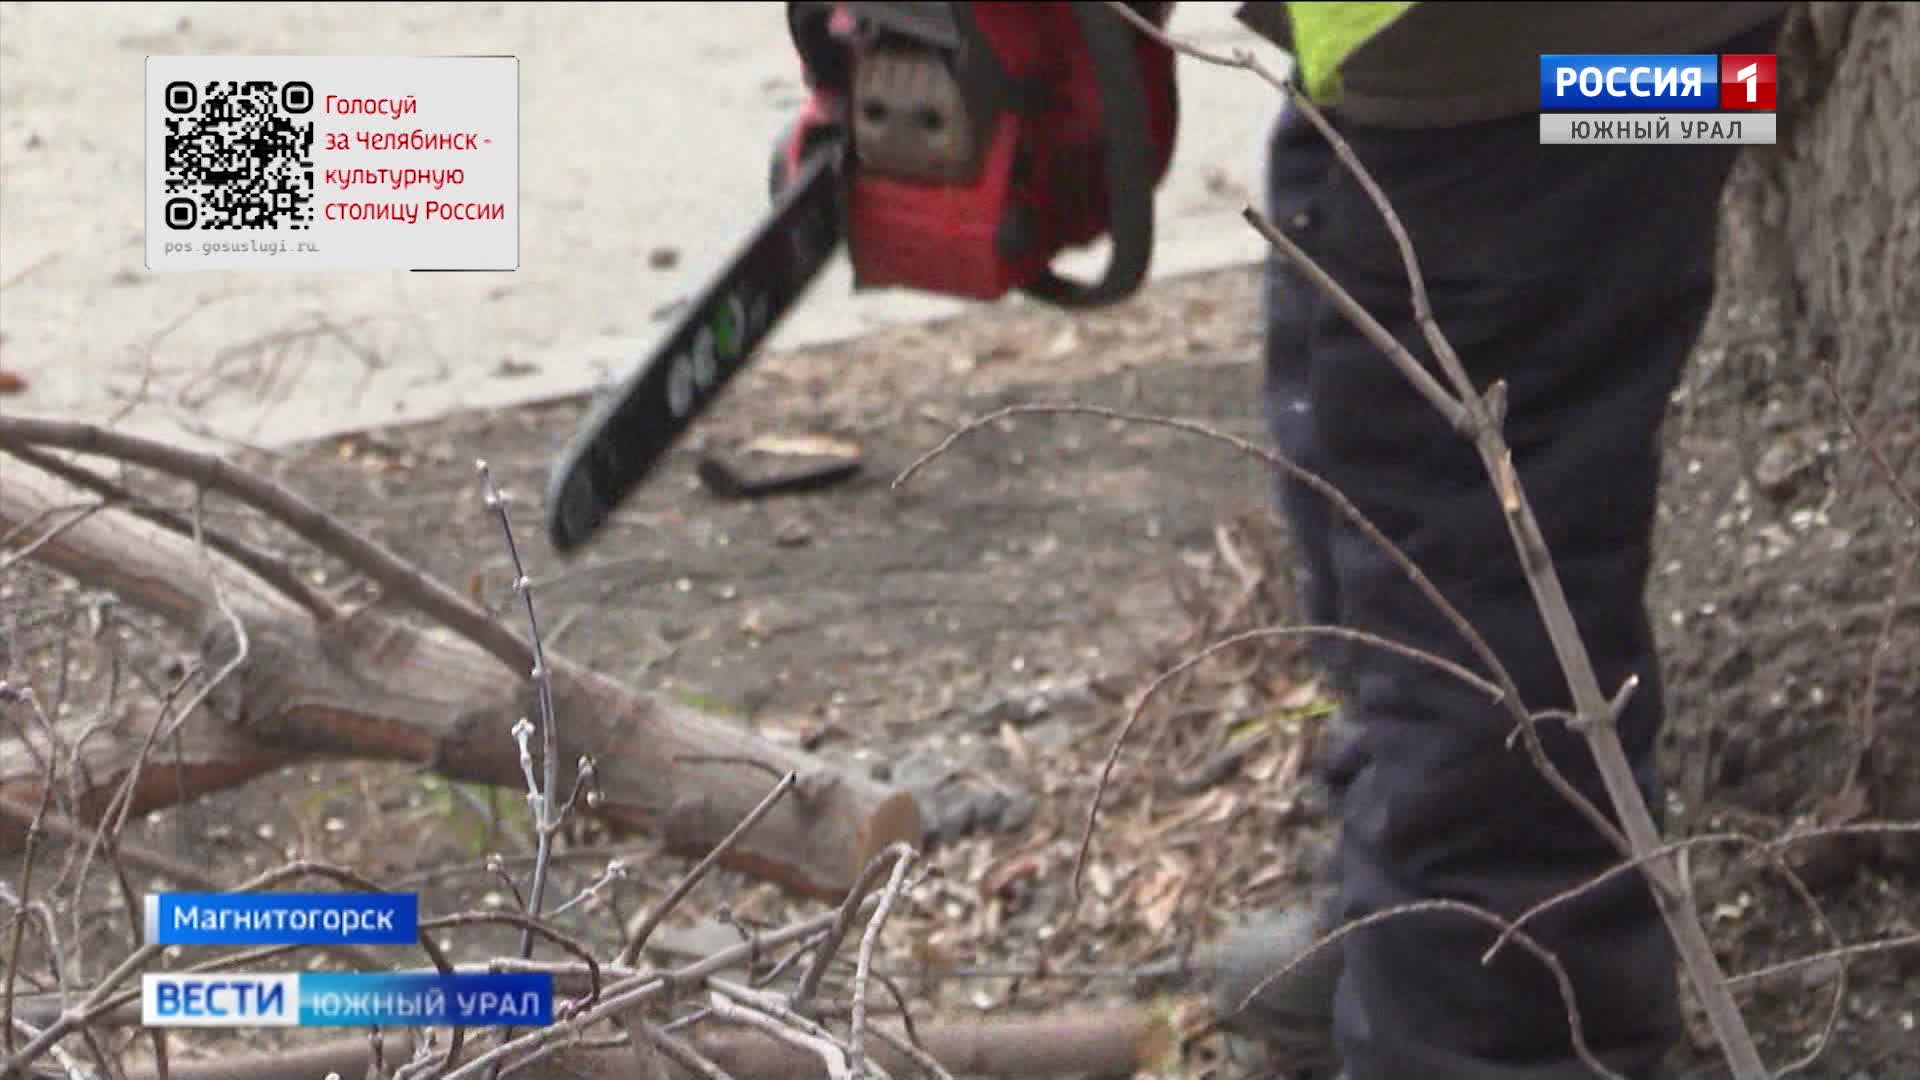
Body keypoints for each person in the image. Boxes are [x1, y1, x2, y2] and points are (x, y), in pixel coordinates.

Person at [1188, 3, 1791, 1079]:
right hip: (1576, 64)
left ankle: (1496, 1029)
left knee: (1469, 584)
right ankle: (1419, 934)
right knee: (1369, 475)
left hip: (1524, 71)